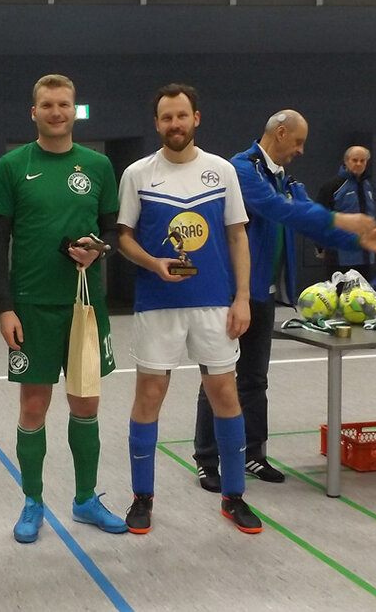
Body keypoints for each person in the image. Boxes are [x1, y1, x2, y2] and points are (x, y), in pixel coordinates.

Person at [191, 110, 376, 491]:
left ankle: (253, 452)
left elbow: (306, 220)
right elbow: (278, 210)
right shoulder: (242, 169)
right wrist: (344, 222)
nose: (301, 150)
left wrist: (358, 240)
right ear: (280, 133)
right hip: (231, 294)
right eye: (298, 142)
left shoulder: (286, 179)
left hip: (265, 293)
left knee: (254, 379)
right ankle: (207, 458)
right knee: (217, 379)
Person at [0, 74, 126, 543]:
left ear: (74, 109)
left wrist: (96, 249)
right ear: (34, 112)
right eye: (47, 105)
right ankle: (32, 502)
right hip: (31, 306)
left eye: (64, 104)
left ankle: (85, 499)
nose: (56, 112)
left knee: (86, 404)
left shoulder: (99, 166)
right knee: (34, 405)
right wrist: (4, 308)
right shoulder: (11, 165)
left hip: (85, 306)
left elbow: (112, 230)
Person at [117, 83, 258, 534]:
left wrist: (242, 298)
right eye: (166, 117)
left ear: (196, 118)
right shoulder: (137, 173)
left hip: (215, 303)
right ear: (156, 123)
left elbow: (237, 235)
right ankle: (142, 497)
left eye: (182, 116)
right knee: (149, 397)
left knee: (225, 395)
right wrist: (153, 263)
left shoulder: (222, 171)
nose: (174, 124)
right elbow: (123, 237)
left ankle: (233, 496)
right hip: (157, 304)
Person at [316, 145, 376, 277]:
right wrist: (320, 246)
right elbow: (319, 216)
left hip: (365, 255)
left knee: (363, 296)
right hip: (339, 256)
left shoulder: (368, 186)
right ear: (346, 161)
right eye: (355, 160)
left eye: (363, 160)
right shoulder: (333, 186)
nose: (359, 164)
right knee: (339, 295)